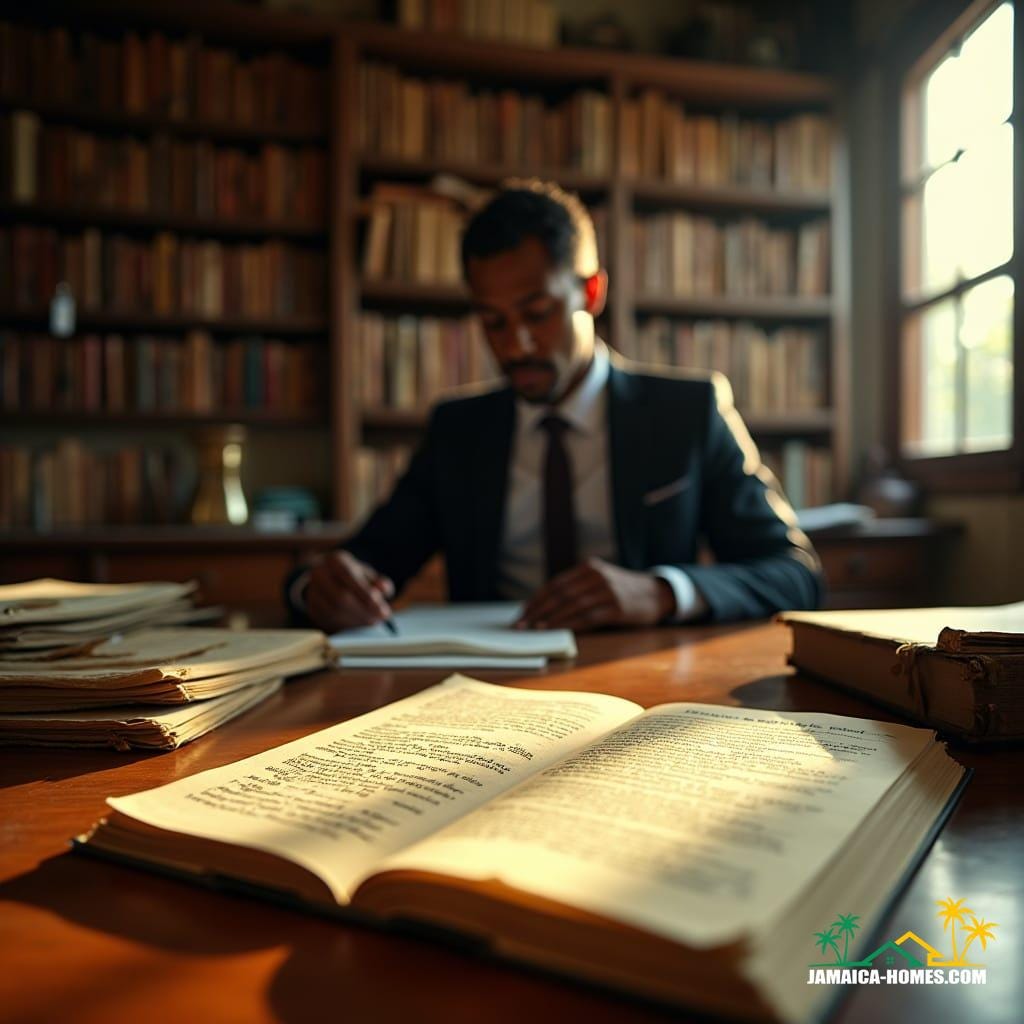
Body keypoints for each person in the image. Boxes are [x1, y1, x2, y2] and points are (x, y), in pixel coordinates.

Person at [288, 180, 824, 633]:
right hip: (486, 695)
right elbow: (361, 562)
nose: (516, 344)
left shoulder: (687, 412)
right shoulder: (459, 431)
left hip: (647, 689)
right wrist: (319, 587)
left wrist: (661, 592)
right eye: (493, 322)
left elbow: (794, 573)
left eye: (538, 313)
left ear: (591, 293)